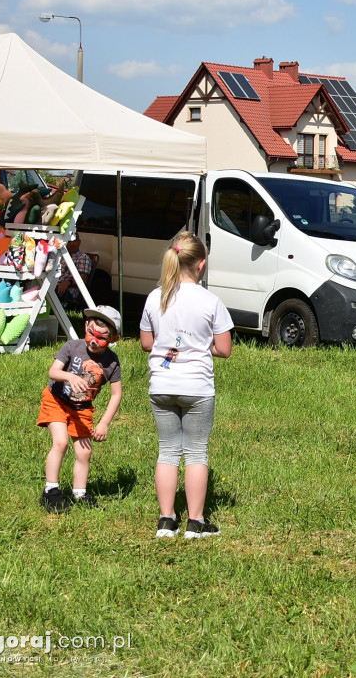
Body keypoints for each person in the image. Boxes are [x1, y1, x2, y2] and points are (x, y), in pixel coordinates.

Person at [140, 231, 233, 539]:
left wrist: (171, 346)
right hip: (197, 386)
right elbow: (224, 348)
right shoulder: (211, 301)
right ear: (201, 265)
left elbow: (146, 342)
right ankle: (195, 522)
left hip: (161, 384)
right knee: (196, 452)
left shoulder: (156, 297)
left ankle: (166, 520)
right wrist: (198, 346)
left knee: (167, 450)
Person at [38, 306, 123, 513]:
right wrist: (69, 376)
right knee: (60, 442)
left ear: (114, 339)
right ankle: (51, 491)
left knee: (84, 452)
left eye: (101, 338)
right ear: (85, 326)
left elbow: (116, 394)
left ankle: (79, 493)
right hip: (57, 399)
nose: (94, 341)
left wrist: (104, 423)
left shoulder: (111, 362)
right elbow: (53, 371)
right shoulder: (71, 347)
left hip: (82, 408)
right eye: (91, 333)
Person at [56, 233, 95, 306]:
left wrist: (68, 282)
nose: (71, 244)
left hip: (71, 289)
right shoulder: (61, 256)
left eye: (74, 241)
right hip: (57, 284)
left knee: (49, 291)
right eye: (69, 241)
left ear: (79, 242)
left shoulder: (83, 257)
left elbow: (83, 279)